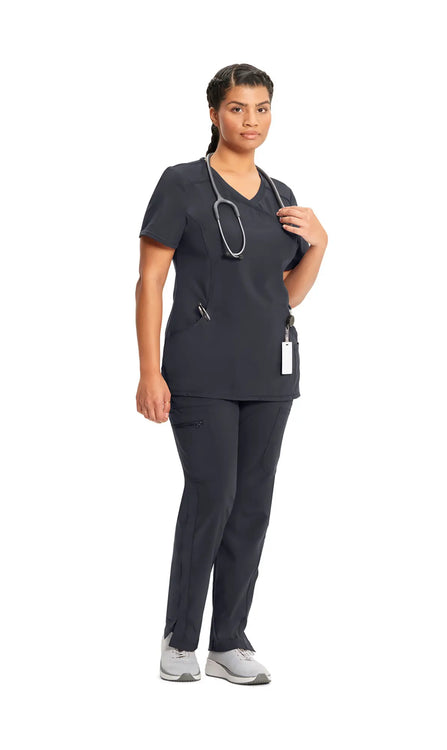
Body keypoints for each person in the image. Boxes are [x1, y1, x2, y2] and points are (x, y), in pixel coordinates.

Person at [135, 63, 327, 684]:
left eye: (262, 108)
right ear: (215, 114)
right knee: (211, 497)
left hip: (269, 376)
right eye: (239, 108)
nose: (252, 121)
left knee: (251, 505)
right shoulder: (182, 184)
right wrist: (149, 371)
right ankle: (179, 638)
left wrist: (320, 245)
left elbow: (285, 295)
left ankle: (228, 641)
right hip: (200, 373)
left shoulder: (280, 196)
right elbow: (150, 282)